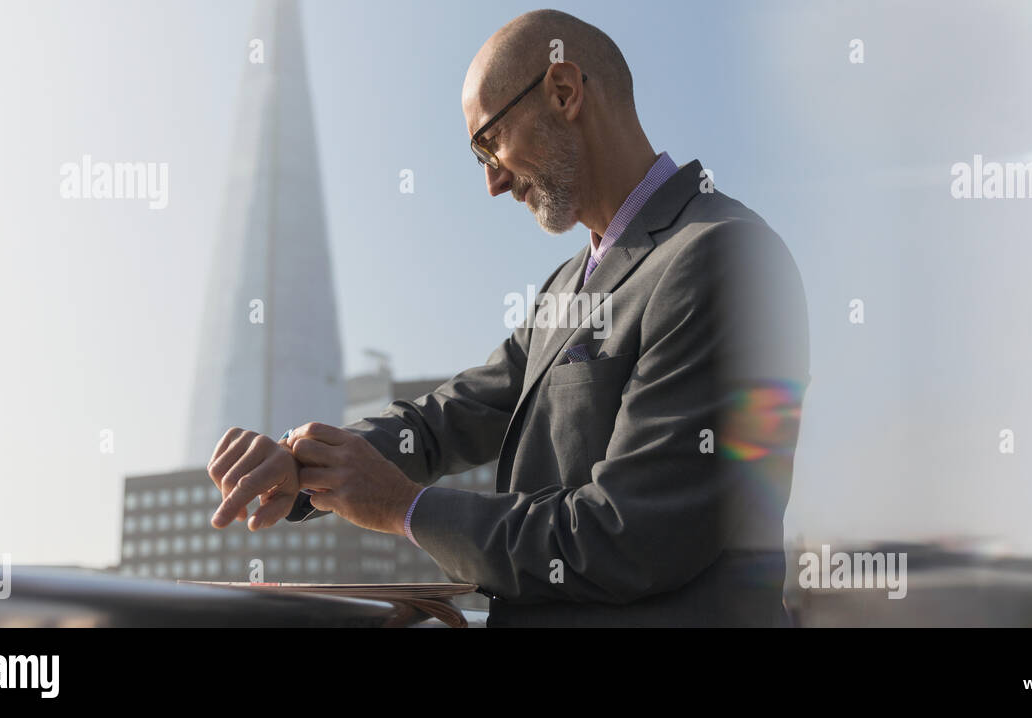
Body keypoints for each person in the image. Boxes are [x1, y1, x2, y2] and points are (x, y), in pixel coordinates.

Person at [205, 8, 811, 627]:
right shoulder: (568, 285)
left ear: (564, 91)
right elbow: (448, 417)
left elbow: (625, 538)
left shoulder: (721, 255)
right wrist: (303, 458)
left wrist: (403, 507)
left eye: (489, 141)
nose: (492, 181)